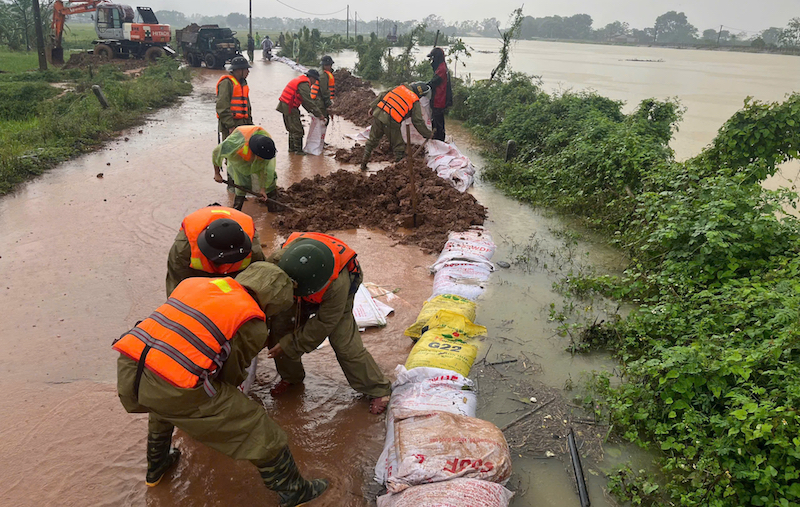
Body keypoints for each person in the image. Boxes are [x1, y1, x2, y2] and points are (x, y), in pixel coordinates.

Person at [114, 263, 329, 506]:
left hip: (133, 368)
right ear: (273, 304)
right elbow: (231, 376)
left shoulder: (196, 283)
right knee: (262, 431)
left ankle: (157, 467)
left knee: (163, 403)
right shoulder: (252, 323)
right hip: (174, 385)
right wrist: (226, 414)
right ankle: (296, 492)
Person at [265, 232, 392, 415]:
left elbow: (325, 322)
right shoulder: (278, 262)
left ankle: (378, 388)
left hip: (336, 288)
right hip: (296, 280)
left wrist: (291, 344)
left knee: (344, 343)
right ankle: (291, 378)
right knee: (280, 328)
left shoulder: (337, 284)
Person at [165, 205, 266, 297]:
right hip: (195, 268)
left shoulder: (253, 248)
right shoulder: (184, 248)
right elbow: (176, 285)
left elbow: (259, 281)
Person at [360, 82, 433, 171]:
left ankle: (363, 165)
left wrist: (373, 107)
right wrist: (428, 134)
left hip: (379, 113)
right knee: (399, 146)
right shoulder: (414, 99)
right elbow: (418, 121)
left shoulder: (400, 87)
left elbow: (383, 94)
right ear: (420, 94)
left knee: (372, 140)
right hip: (391, 120)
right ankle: (399, 171)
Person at [212, 125, 278, 211]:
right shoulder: (234, 143)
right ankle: (236, 210)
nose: (262, 160)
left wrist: (262, 189)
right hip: (240, 159)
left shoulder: (267, 146)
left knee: (270, 180)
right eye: (261, 158)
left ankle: (272, 209)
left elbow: (264, 170)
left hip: (254, 153)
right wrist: (217, 173)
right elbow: (216, 153)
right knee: (242, 183)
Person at [276, 70, 326, 155]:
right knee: (298, 131)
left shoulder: (301, 80)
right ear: (311, 78)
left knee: (292, 129)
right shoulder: (304, 84)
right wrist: (319, 114)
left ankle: (291, 150)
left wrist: (312, 112)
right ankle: (298, 152)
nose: (314, 83)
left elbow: (303, 101)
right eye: (315, 80)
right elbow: (308, 101)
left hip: (285, 105)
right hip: (290, 106)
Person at [216, 56, 253, 141]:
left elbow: (247, 106)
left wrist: (250, 125)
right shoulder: (226, 83)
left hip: (243, 125)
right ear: (239, 70)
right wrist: (230, 126)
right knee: (230, 152)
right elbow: (222, 107)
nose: (248, 72)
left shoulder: (243, 84)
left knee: (244, 152)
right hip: (230, 125)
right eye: (246, 69)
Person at [426, 47, 452, 142]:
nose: (432, 61)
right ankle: (437, 138)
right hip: (438, 98)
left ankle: (439, 140)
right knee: (436, 120)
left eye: (433, 58)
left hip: (439, 99)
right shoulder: (441, 66)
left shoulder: (441, 69)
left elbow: (434, 82)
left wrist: (424, 86)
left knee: (438, 121)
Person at [316, 55, 335, 120]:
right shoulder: (323, 76)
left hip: (318, 100)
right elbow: (324, 91)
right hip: (320, 101)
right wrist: (328, 104)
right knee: (323, 120)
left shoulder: (321, 72)